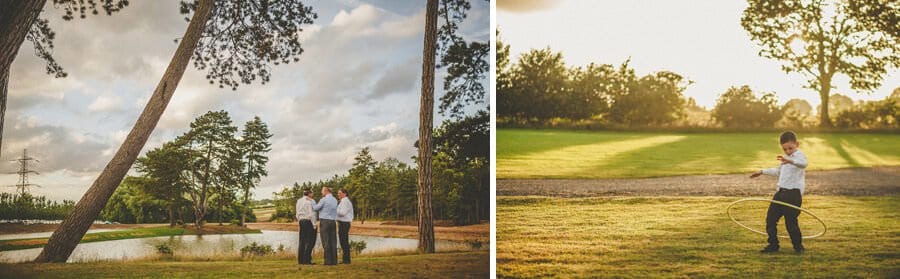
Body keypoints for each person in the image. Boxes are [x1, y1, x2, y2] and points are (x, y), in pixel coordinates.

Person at [750, 131, 808, 254]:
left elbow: (804, 164)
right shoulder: (785, 158)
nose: (787, 151)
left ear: (797, 144)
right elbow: (777, 171)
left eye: (790, 148)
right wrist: (761, 171)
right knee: (770, 220)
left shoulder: (799, 155)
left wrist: (790, 161)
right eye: (785, 149)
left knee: (790, 223)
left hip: (793, 195)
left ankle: (798, 247)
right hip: (780, 193)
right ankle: (773, 245)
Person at [312, 186, 339, 265]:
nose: (321, 192)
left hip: (325, 222)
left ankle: (328, 261)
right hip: (333, 222)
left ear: (326, 191)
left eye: (322, 191)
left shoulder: (323, 200)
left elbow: (316, 208)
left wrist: (312, 201)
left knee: (325, 241)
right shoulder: (335, 200)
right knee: (333, 241)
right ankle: (334, 261)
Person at [295, 189, 317, 265]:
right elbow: (311, 214)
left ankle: (300, 260)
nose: (313, 194)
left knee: (302, 241)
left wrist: (300, 220)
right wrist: (314, 225)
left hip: (301, 221)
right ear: (309, 194)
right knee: (309, 241)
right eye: (312, 193)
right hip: (308, 222)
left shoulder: (299, 201)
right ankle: (307, 260)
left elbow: (297, 213)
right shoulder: (309, 202)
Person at [336, 188, 355, 264]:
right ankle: (346, 259)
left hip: (344, 223)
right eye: (338, 193)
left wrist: (335, 210)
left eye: (340, 193)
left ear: (345, 194)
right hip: (344, 223)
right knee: (343, 241)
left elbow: (342, 213)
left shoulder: (345, 201)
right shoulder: (344, 201)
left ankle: (346, 260)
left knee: (344, 242)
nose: (338, 194)